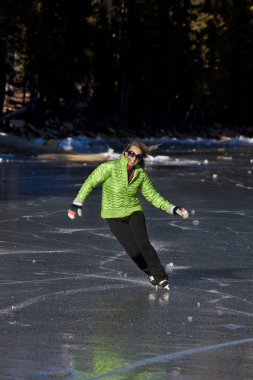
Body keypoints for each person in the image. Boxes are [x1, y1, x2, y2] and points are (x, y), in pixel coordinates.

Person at [68, 141, 189, 291]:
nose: (133, 158)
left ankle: (161, 276)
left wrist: (173, 208)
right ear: (125, 153)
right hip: (112, 215)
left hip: (133, 211)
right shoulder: (109, 168)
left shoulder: (140, 174)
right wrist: (77, 202)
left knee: (144, 245)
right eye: (131, 154)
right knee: (133, 251)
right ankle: (149, 272)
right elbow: (90, 182)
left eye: (138, 156)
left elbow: (153, 196)